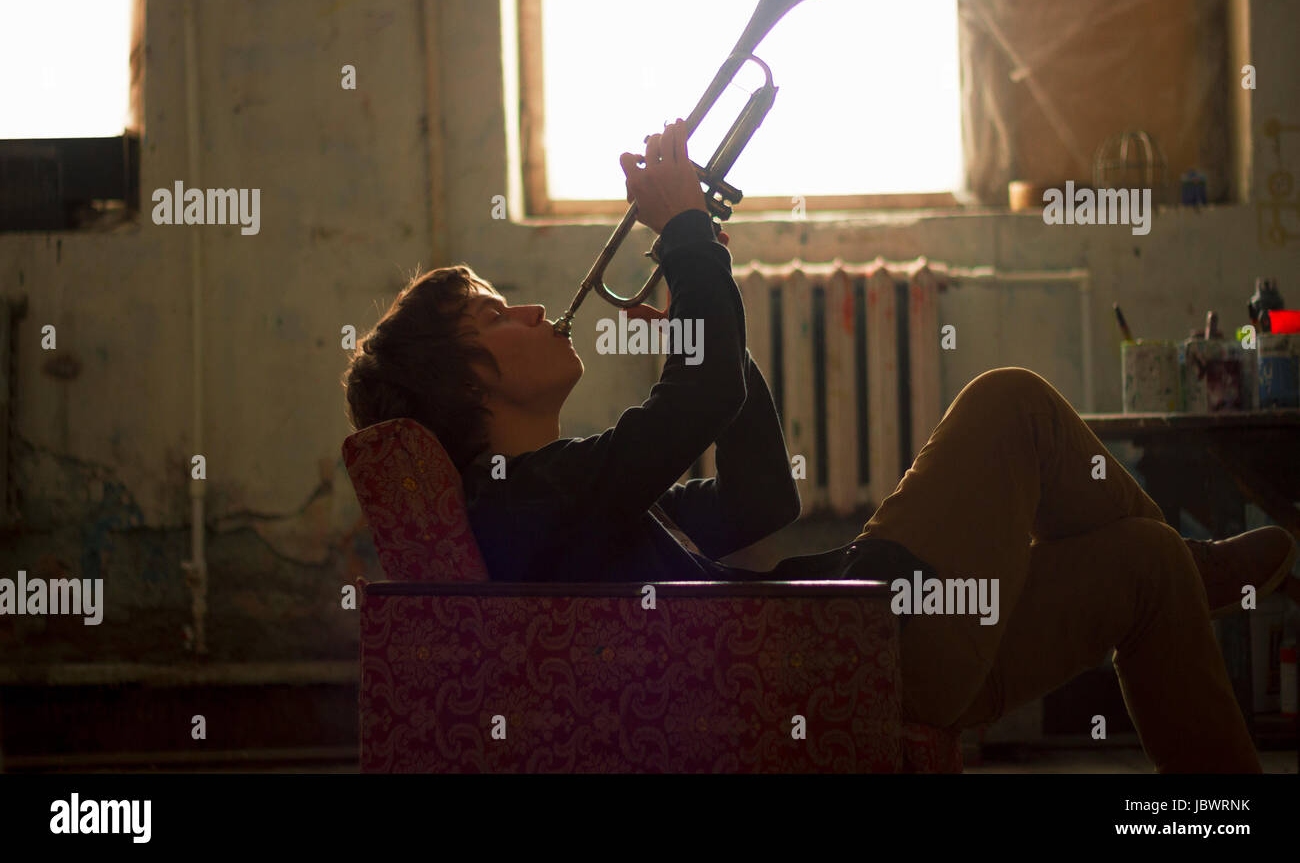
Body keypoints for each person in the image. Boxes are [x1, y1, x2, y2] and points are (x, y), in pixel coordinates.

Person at [343, 119, 1297, 773]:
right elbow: (702, 397)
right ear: (467, 384)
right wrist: (684, 231)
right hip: (863, 642)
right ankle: (1200, 564)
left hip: (862, 649)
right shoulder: (526, 498)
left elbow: (763, 498)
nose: (532, 307)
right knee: (1010, 403)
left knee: (1142, 567)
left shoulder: (570, 507)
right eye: (492, 314)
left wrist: (696, 312)